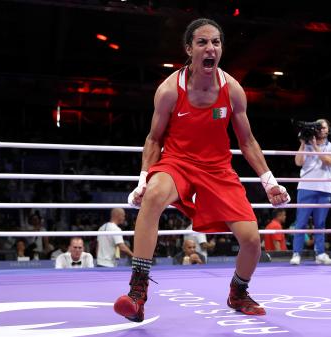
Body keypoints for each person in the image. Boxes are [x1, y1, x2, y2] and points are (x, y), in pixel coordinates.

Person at [113, 18, 290, 322]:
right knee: (154, 196)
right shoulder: (169, 90)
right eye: (202, 42)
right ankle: (137, 292)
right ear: (189, 49)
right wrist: (143, 178)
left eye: (216, 42)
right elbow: (154, 138)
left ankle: (238, 292)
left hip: (218, 169)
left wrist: (269, 180)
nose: (210, 48)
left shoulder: (232, 90)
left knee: (251, 241)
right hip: (177, 162)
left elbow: (246, 141)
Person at [290, 119, 331, 265]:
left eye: (323, 127)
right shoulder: (307, 146)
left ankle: (321, 253)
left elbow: (329, 161)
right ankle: (296, 253)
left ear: (328, 130)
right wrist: (303, 143)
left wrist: (316, 147)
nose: (320, 130)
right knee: (301, 222)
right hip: (306, 187)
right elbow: (298, 162)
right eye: (317, 127)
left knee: (320, 223)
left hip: (324, 189)